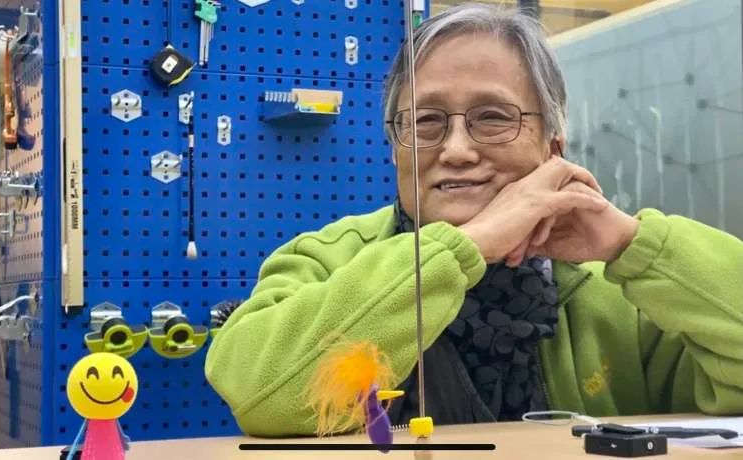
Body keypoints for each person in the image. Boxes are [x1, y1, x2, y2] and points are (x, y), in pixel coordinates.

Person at [205, 3, 743, 436]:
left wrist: (632, 245)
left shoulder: (625, 294)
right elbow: (257, 393)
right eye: (426, 121)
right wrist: (465, 248)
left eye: (493, 117)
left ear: (553, 147)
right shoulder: (325, 259)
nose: (457, 150)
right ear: (395, 148)